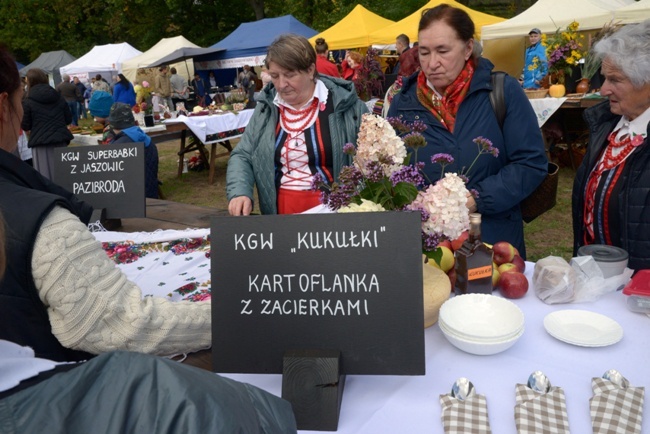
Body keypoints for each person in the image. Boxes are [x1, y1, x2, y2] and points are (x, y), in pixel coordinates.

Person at [0, 47, 211, 362]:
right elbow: (123, 324)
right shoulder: (41, 223)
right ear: (4, 108)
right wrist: (237, 312)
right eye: (20, 103)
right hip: (49, 398)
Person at [387, 5, 548, 258]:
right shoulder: (404, 101)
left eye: (443, 51)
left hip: (491, 239)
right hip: (428, 246)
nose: (432, 63)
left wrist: (476, 199)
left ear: (468, 48)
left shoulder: (501, 92)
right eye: (425, 52)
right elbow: (391, 167)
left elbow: (530, 163)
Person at [226, 33, 368, 216]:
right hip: (280, 213)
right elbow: (243, 155)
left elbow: (374, 163)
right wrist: (239, 192)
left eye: (289, 75)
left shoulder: (348, 106)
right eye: (275, 76)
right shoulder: (265, 109)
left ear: (310, 70)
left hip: (335, 215)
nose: (281, 84)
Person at [572, 19, 650, 271]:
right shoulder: (605, 124)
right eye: (604, 78)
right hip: (595, 275)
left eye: (615, 80)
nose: (603, 90)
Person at [21, 68, 73, 179]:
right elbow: (68, 119)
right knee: (64, 177)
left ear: (29, 81)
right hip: (60, 140)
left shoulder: (28, 100)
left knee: (45, 178)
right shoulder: (58, 97)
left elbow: (25, 125)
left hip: (41, 143)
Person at [109, 103, 160, 199]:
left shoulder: (118, 146)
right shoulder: (145, 138)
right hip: (151, 193)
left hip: (130, 200)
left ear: (112, 124)